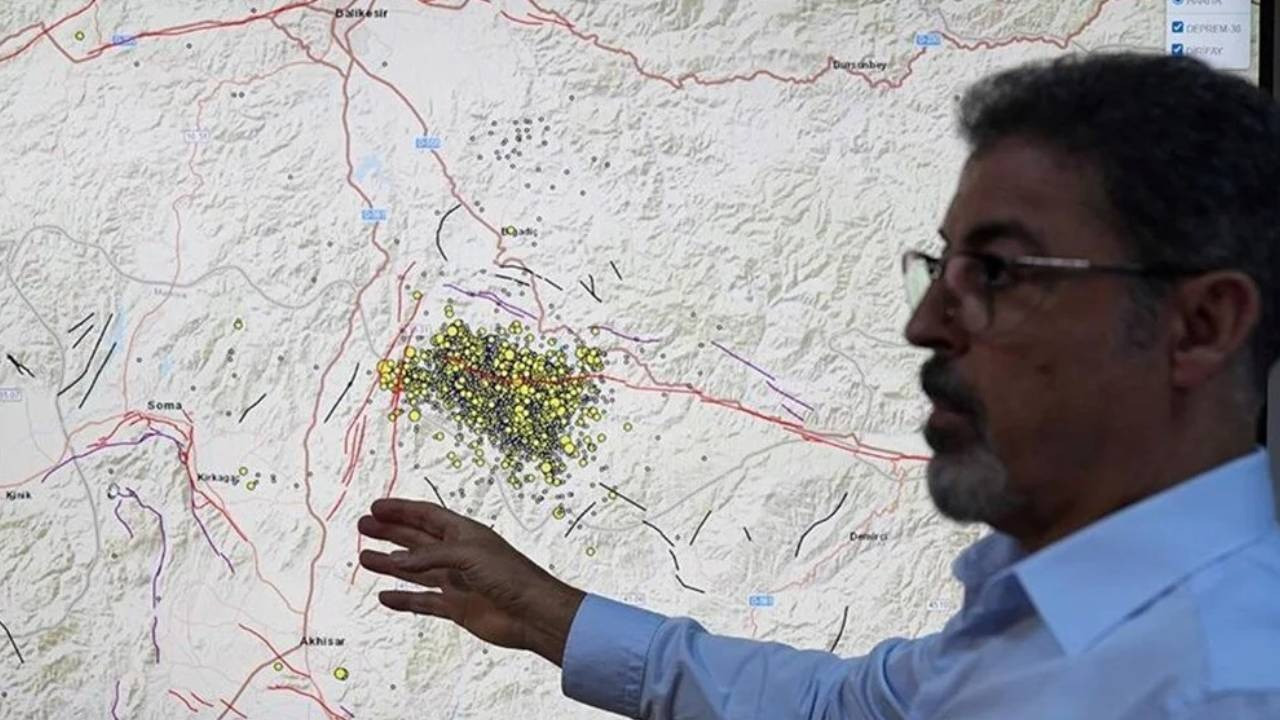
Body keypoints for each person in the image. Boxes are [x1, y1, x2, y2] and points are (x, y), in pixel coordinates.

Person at [357, 53, 1280, 719]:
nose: (926, 324)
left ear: (1199, 326)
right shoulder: (1054, 619)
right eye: (943, 268)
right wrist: (547, 615)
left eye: (998, 272)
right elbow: (844, 708)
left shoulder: (1228, 686)